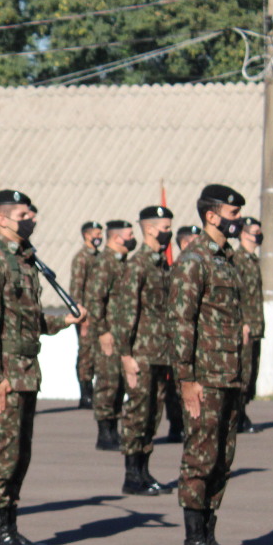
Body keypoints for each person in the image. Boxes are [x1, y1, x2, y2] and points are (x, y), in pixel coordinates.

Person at [0, 190, 83, 545]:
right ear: (2, 219)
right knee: (2, 454)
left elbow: (28, 319)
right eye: (23, 212)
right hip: (5, 373)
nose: (31, 217)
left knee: (19, 453)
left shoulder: (24, 260)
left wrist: (62, 321)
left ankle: (11, 528)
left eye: (31, 212)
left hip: (26, 371)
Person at [171, 184, 249, 545]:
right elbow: (181, 322)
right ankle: (192, 543)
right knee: (199, 458)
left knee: (222, 459)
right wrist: (186, 378)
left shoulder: (226, 259)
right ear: (212, 216)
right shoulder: (194, 260)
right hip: (204, 376)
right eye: (232, 215)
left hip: (230, 375)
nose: (238, 221)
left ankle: (209, 537)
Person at [110, 205, 174, 496]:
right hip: (141, 354)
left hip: (160, 352)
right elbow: (126, 313)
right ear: (149, 229)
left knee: (152, 414)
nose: (169, 231)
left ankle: (145, 471)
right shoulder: (137, 266)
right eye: (165, 226)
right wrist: (126, 356)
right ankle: (131, 475)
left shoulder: (162, 265)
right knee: (137, 413)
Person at [85, 220, 135, 451]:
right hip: (109, 334)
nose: (133, 238)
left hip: (122, 335)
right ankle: (105, 432)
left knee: (120, 384)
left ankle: (114, 429)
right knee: (108, 382)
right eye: (129, 235)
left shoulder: (123, 263)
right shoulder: (104, 263)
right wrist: (102, 331)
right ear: (116, 238)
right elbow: (94, 300)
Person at [233, 217, 265, 433]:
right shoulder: (237, 260)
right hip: (244, 327)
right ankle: (236, 416)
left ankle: (242, 412)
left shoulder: (252, 260)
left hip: (255, 327)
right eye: (255, 232)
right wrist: (241, 323)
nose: (258, 236)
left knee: (250, 373)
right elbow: (234, 294)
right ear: (243, 234)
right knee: (241, 373)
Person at [70, 221, 102, 409]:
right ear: (86, 235)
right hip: (86, 316)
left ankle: (96, 391)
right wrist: (81, 317)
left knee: (98, 354)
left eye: (100, 234)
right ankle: (85, 393)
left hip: (99, 316)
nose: (99, 237)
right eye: (95, 234)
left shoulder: (99, 257)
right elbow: (76, 288)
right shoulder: (81, 258)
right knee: (86, 354)